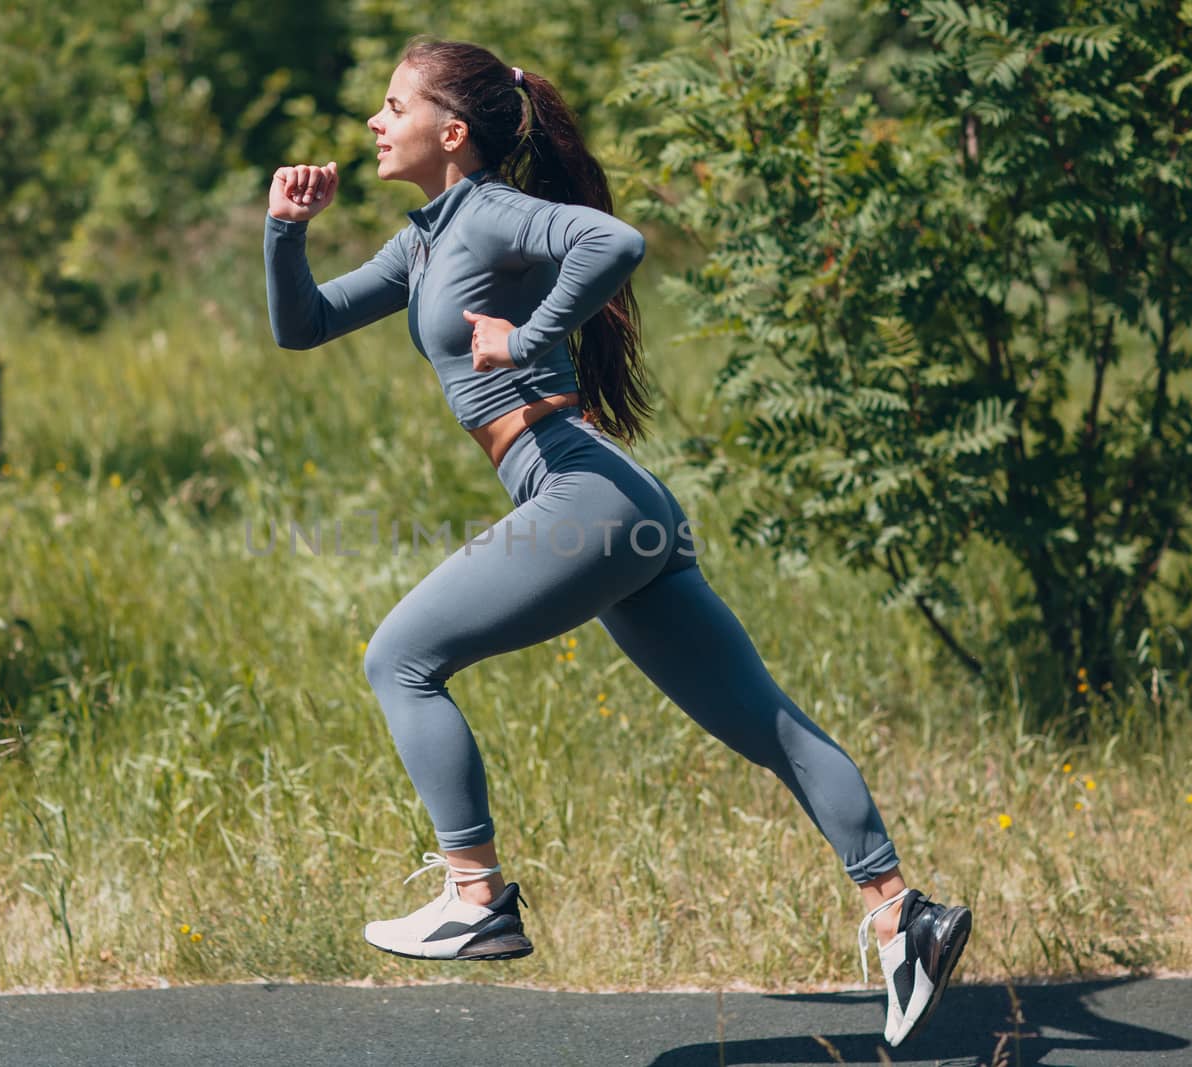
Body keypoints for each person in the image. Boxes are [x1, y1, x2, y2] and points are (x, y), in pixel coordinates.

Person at [262, 35, 971, 1047]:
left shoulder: (493, 209)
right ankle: (904, 914)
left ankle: (477, 897)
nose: (374, 122)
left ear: (450, 132)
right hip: (615, 503)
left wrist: (537, 333)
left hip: (583, 495)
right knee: (765, 721)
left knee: (400, 657)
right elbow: (303, 326)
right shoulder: (425, 240)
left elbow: (615, 243)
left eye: (392, 105)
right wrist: (284, 232)